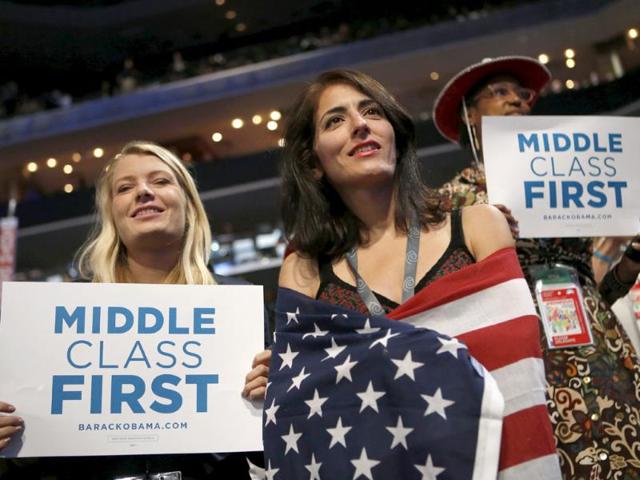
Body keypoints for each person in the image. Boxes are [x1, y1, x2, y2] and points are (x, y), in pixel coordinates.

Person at [245, 69, 559, 478]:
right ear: (313, 160)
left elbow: (518, 371)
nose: (360, 125)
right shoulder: (303, 272)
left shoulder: (480, 227)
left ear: (394, 133)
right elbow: (322, 417)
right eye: (335, 120)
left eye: (372, 111)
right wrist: (287, 381)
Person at [0, 141, 264, 479]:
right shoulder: (60, 316)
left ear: (189, 204)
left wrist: (271, 404)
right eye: (125, 187)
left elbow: (268, 448)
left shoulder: (237, 305)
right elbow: (34, 454)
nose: (142, 192)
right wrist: (16, 444)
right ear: (112, 213)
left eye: (160, 181)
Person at [433, 55, 640, 479]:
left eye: (523, 95)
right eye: (500, 92)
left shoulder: (569, 178)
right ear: (469, 115)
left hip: (599, 349)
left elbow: (595, 292)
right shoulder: (451, 202)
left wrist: (632, 260)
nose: (517, 102)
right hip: (524, 358)